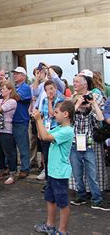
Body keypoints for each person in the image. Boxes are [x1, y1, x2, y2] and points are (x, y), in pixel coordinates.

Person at [32, 101, 75, 235]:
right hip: (53, 171)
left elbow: (45, 136)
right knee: (50, 198)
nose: (54, 114)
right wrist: (38, 121)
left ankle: (62, 230)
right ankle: (50, 226)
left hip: (60, 173)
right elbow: (42, 136)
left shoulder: (67, 131)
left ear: (66, 114)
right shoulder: (59, 127)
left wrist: (39, 119)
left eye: (57, 112)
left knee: (62, 203)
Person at [69, 74, 109, 211]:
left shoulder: (90, 104)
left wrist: (93, 103)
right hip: (74, 144)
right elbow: (67, 117)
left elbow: (100, 117)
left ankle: (97, 199)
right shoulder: (74, 101)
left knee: (92, 174)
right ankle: (81, 195)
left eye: (77, 82)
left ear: (85, 84)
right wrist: (77, 103)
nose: (74, 83)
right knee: (77, 173)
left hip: (89, 145)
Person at [36, 80, 65, 182]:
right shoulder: (43, 100)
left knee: (55, 157)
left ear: (55, 88)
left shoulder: (60, 100)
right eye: (47, 90)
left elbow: (52, 114)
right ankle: (48, 181)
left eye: (51, 89)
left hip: (55, 130)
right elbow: (42, 116)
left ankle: (55, 180)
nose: (50, 92)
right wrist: (40, 130)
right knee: (47, 157)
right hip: (46, 130)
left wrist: (49, 101)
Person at [11, 66, 32, 179]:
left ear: (23, 76)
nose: (15, 75)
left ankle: (25, 168)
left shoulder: (26, 87)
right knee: (11, 147)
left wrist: (8, 88)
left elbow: (17, 97)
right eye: (14, 73)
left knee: (22, 146)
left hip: (20, 120)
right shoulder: (14, 87)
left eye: (17, 74)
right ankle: (12, 168)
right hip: (11, 120)